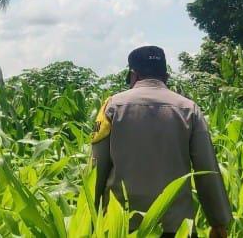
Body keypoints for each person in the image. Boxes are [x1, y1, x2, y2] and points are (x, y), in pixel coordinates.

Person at [91, 45, 232, 237]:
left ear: (133, 75)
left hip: (121, 226)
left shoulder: (112, 107)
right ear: (165, 77)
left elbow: (96, 169)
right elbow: (207, 169)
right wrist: (218, 221)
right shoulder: (189, 109)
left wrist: (89, 220)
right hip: (176, 227)